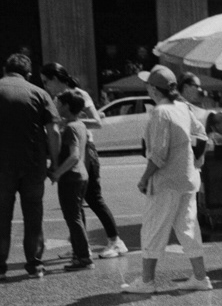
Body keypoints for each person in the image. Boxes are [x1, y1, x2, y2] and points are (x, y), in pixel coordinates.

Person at [120, 66, 212, 293]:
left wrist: (144, 179)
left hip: (166, 182)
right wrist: (196, 159)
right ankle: (200, 277)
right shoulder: (182, 107)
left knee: (153, 229)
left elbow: (159, 154)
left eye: (148, 86)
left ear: (154, 89)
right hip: (187, 179)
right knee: (188, 228)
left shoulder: (161, 112)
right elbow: (201, 134)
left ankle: (147, 281)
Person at [40, 62, 127, 259]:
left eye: (46, 81)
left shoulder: (79, 94)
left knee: (93, 197)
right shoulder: (56, 99)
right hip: (69, 148)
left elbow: (97, 122)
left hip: (85, 149)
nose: (45, 86)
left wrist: (68, 121)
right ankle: (81, 246)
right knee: (76, 202)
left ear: (56, 79)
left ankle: (115, 241)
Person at [0, 53, 59, 280]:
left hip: (2, 167)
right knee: (34, 215)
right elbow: (53, 132)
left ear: (5, 69)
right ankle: (35, 265)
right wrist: (54, 163)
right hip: (33, 165)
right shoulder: (40, 93)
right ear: (29, 74)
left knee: (1, 217)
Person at [48, 89, 94, 271]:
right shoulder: (80, 125)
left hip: (71, 177)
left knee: (72, 218)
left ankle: (83, 258)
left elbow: (74, 155)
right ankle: (80, 254)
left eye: (58, 103)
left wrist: (57, 173)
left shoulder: (70, 128)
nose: (56, 106)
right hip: (81, 176)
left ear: (66, 106)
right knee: (77, 216)